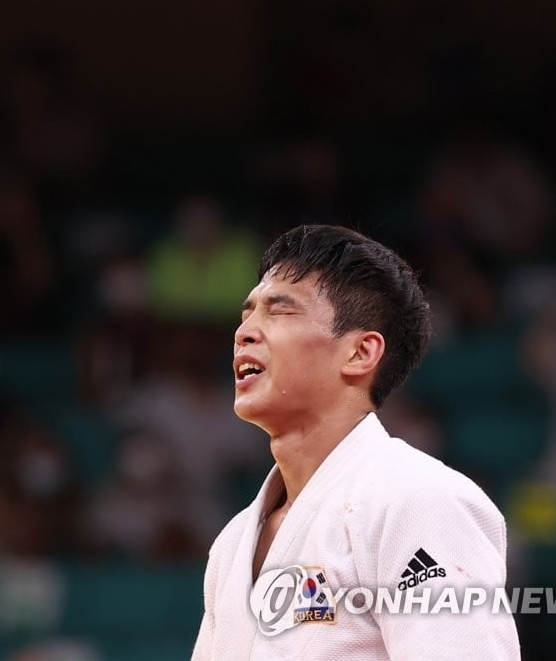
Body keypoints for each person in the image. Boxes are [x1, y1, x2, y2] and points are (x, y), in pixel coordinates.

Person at [192, 225, 519, 659]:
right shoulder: (232, 543)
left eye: (279, 311)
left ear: (361, 353)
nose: (245, 332)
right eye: (246, 313)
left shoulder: (419, 501)